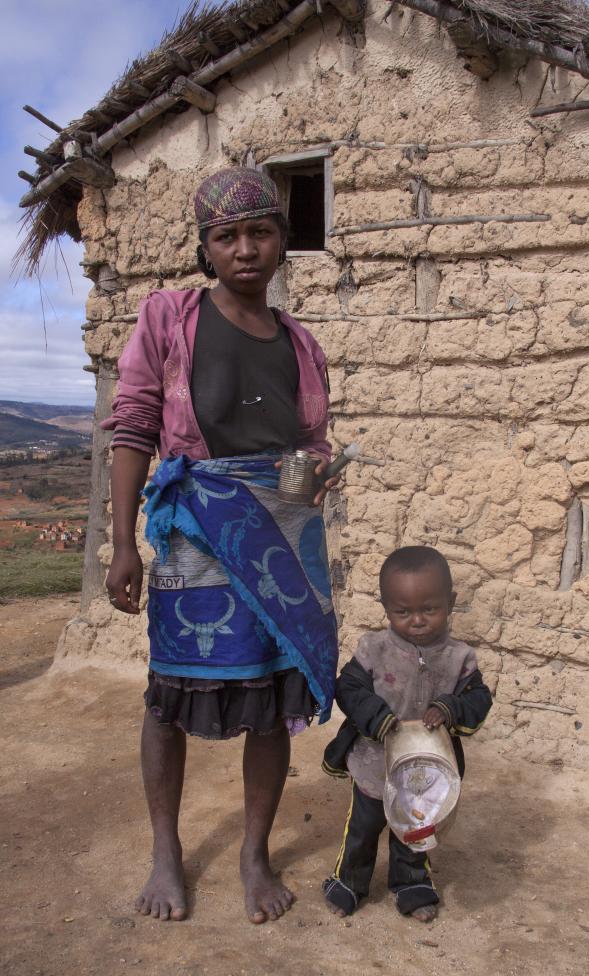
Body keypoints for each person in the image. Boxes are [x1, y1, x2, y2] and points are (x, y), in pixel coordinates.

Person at [103, 167, 339, 925]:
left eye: (260, 232)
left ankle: (253, 853)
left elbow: (309, 442)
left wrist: (317, 474)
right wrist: (122, 545)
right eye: (226, 235)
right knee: (170, 694)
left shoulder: (301, 343)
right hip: (196, 532)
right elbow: (135, 426)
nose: (245, 248)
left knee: (274, 699)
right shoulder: (169, 318)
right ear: (206, 248)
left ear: (281, 242)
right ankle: (166, 851)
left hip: (283, 532)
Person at [321, 546, 492, 921]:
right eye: (403, 612)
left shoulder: (459, 658)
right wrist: (376, 717)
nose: (416, 620)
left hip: (427, 772)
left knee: (416, 828)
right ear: (386, 610)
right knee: (363, 830)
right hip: (374, 767)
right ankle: (349, 881)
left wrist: (450, 707)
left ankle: (412, 884)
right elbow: (348, 689)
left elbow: (479, 700)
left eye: (429, 609)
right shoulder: (373, 650)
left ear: (451, 602)